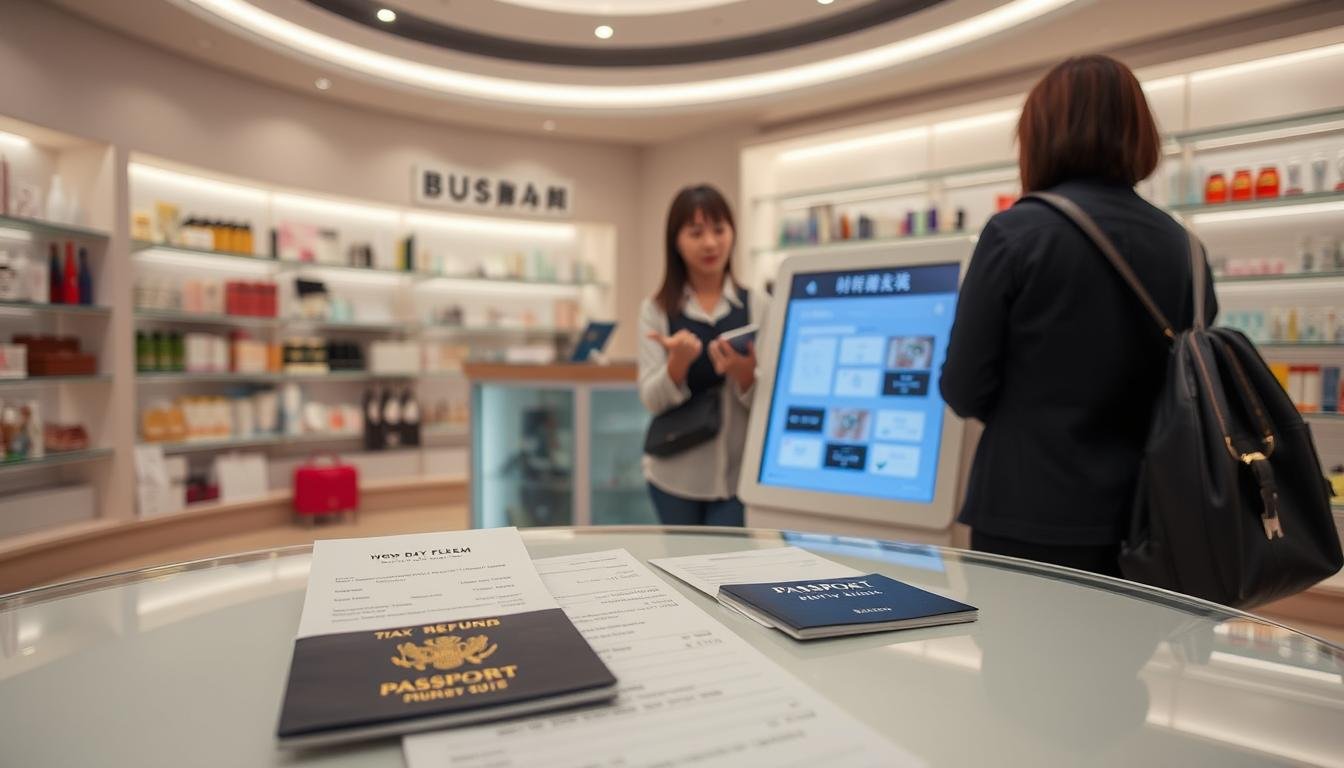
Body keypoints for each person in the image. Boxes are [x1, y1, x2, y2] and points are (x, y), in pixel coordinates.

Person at [939, 55, 1218, 576]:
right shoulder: (1187, 249)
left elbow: (963, 387)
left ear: (1040, 135)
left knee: (1020, 656)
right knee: (1115, 656)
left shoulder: (1015, 234)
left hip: (1025, 513)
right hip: (1150, 518)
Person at [639, 184, 759, 526]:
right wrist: (676, 366)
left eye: (719, 230)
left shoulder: (757, 304)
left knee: (728, 575)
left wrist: (746, 374)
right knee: (678, 573)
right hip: (674, 474)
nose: (710, 243)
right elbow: (652, 400)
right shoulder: (656, 309)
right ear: (675, 241)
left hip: (740, 476)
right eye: (695, 233)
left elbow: (772, 402)